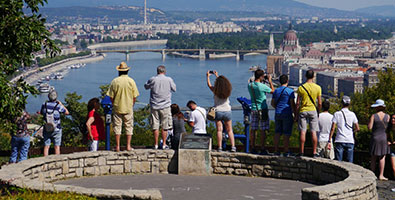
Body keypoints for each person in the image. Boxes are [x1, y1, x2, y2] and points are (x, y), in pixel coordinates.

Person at [107, 62, 139, 152]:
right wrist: (132, 104)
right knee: (129, 127)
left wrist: (114, 104)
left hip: (117, 107)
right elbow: (135, 96)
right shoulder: (131, 81)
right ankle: (128, 146)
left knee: (117, 127)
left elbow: (111, 96)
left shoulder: (115, 81)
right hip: (128, 107)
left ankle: (117, 146)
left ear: (119, 71)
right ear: (127, 71)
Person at [144, 65, 176, 150]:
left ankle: (155, 144)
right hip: (165, 106)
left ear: (157, 71)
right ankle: (164, 144)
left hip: (154, 105)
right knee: (165, 126)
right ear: (164, 71)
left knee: (155, 125)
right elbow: (174, 89)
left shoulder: (153, 79)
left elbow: (146, 87)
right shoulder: (169, 79)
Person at [207, 70, 236, 152]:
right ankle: (233, 146)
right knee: (230, 130)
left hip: (218, 111)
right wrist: (217, 76)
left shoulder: (215, 90)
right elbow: (222, 83)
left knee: (219, 130)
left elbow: (209, 85)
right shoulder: (228, 90)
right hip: (227, 111)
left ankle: (219, 147)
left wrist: (208, 76)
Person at [248, 69, 274, 154]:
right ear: (261, 77)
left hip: (254, 109)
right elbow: (273, 91)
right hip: (262, 109)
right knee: (263, 129)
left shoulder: (250, 85)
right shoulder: (262, 86)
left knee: (253, 129)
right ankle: (262, 148)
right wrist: (270, 81)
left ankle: (252, 147)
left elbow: (251, 82)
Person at [296, 69, 322, 157]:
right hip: (313, 110)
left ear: (305, 76)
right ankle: (314, 152)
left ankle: (301, 152)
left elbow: (297, 103)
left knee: (303, 131)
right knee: (313, 131)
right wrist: (318, 111)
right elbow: (319, 103)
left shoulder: (301, 87)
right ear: (313, 76)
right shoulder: (318, 87)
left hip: (303, 110)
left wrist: (296, 113)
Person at [328, 96, 360, 163]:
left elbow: (333, 128)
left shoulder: (337, 114)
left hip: (339, 139)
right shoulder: (352, 114)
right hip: (350, 140)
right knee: (349, 162)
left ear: (341, 103)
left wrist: (329, 139)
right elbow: (358, 128)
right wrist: (352, 132)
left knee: (338, 162)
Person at [271, 74, 296, 156]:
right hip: (287, 113)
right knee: (286, 133)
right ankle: (286, 151)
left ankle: (276, 150)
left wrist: (277, 107)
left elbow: (272, 103)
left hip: (278, 112)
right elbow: (292, 104)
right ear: (287, 81)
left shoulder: (276, 91)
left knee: (277, 132)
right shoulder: (290, 91)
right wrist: (295, 114)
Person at [40, 89, 69, 156]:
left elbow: (42, 113)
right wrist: (61, 104)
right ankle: (57, 162)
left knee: (46, 146)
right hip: (57, 128)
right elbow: (67, 112)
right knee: (57, 146)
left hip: (47, 128)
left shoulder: (44, 104)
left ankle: (45, 162)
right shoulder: (58, 106)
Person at [368, 99, 390, 180]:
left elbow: (369, 127)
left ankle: (372, 174)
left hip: (375, 137)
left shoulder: (374, 116)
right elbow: (389, 128)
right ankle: (381, 175)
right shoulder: (388, 116)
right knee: (382, 157)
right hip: (384, 138)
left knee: (373, 157)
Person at [387, 113, 395, 179]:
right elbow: (387, 138)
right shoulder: (389, 129)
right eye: (392, 118)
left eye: (394, 118)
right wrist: (388, 141)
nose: (393, 119)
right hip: (392, 149)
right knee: (393, 167)